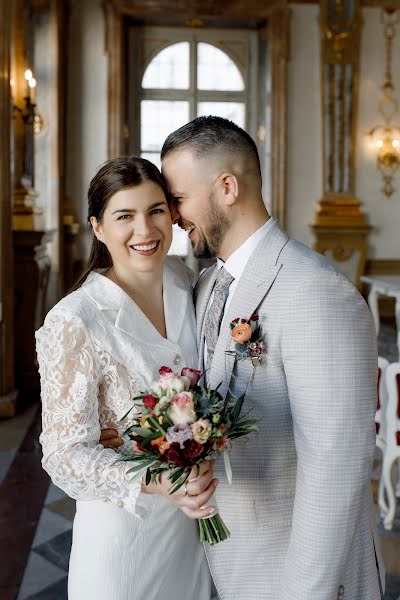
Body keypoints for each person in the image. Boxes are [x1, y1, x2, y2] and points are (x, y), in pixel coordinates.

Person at [102, 116, 385, 600]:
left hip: (296, 573)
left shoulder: (316, 293)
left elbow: (336, 466)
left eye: (179, 200)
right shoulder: (208, 282)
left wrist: (306, 592)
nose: (173, 217)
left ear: (227, 188)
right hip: (233, 558)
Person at [35, 156, 215, 600]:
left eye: (155, 210)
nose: (145, 230)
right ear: (98, 227)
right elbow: (63, 455)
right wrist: (160, 482)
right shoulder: (74, 320)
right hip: (123, 535)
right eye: (124, 216)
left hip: (189, 533)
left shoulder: (185, 282)